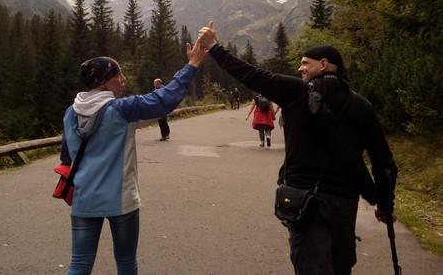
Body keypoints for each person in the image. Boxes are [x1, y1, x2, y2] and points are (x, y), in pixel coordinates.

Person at [198, 22, 398, 275]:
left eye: (305, 63)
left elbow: (250, 73)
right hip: (344, 203)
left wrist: (214, 47)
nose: (300, 68)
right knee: (340, 267)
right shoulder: (362, 105)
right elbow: (384, 162)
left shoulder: (296, 91)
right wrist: (384, 203)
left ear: (323, 65)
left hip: (303, 201)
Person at [59, 39, 207, 275]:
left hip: (84, 198)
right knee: (126, 263)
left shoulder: (70, 113)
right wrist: (192, 65)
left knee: (78, 265)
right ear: (105, 82)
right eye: (119, 75)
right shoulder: (121, 110)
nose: (123, 79)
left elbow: (66, 158)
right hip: (121, 202)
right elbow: (163, 100)